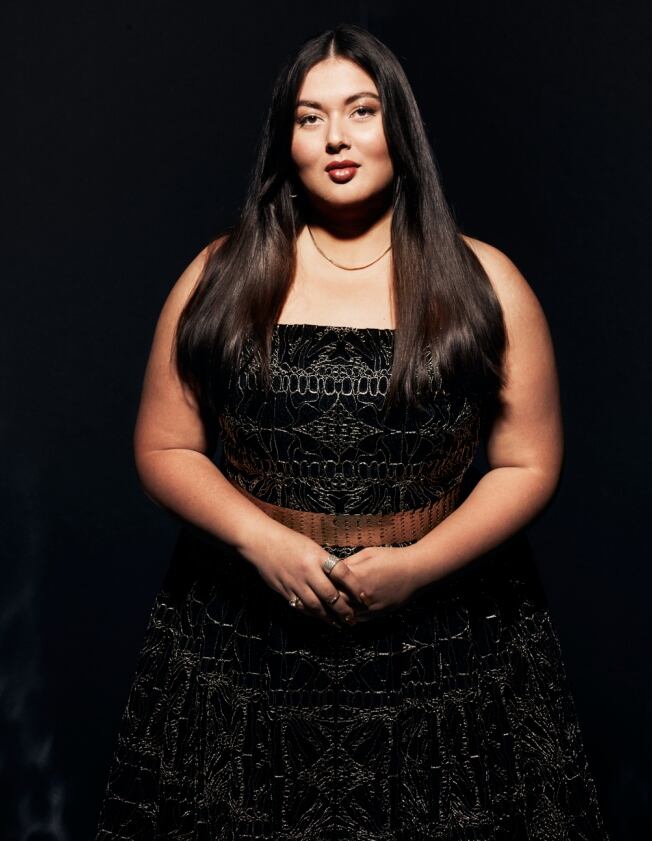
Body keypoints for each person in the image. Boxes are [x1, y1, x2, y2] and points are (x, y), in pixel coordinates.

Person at [94, 23, 611, 841]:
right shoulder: (220, 276)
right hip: (246, 644)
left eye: (361, 110)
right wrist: (263, 542)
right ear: (285, 140)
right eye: (310, 117)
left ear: (397, 127)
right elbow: (164, 447)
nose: (336, 137)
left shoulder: (487, 282)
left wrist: (415, 567)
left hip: (449, 644)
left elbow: (529, 462)